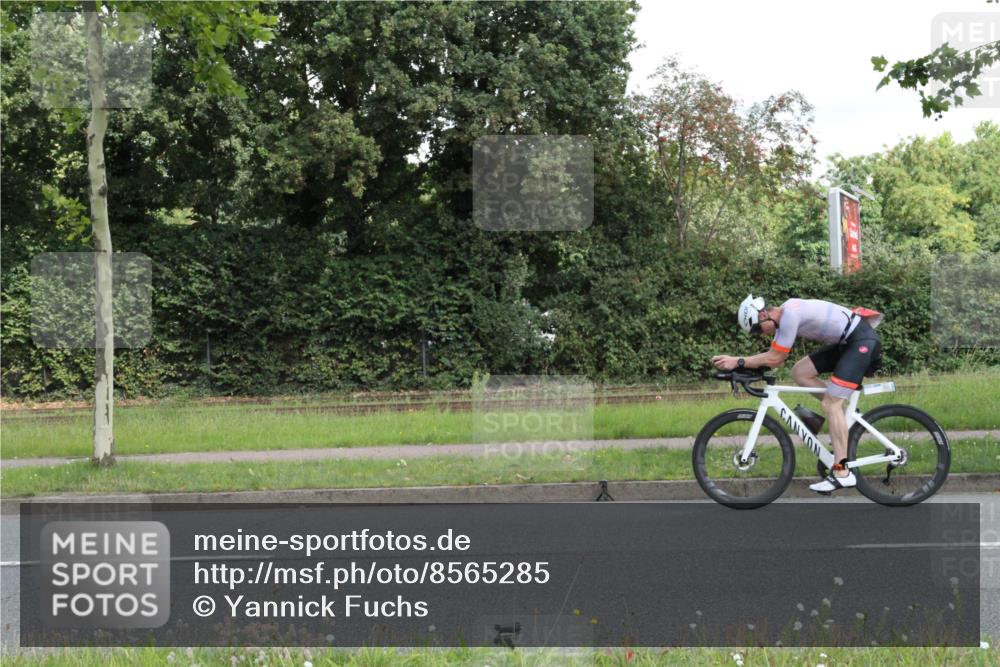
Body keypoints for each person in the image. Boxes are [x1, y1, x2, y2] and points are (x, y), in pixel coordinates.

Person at [711, 295, 883, 493]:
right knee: (800, 372)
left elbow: (775, 359)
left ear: (764, 314)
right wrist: (742, 364)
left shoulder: (789, 315)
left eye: (757, 329)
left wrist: (738, 361)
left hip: (860, 341)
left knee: (830, 405)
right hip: (848, 341)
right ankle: (840, 415)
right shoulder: (784, 317)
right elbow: (771, 357)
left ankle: (842, 472)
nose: (759, 334)